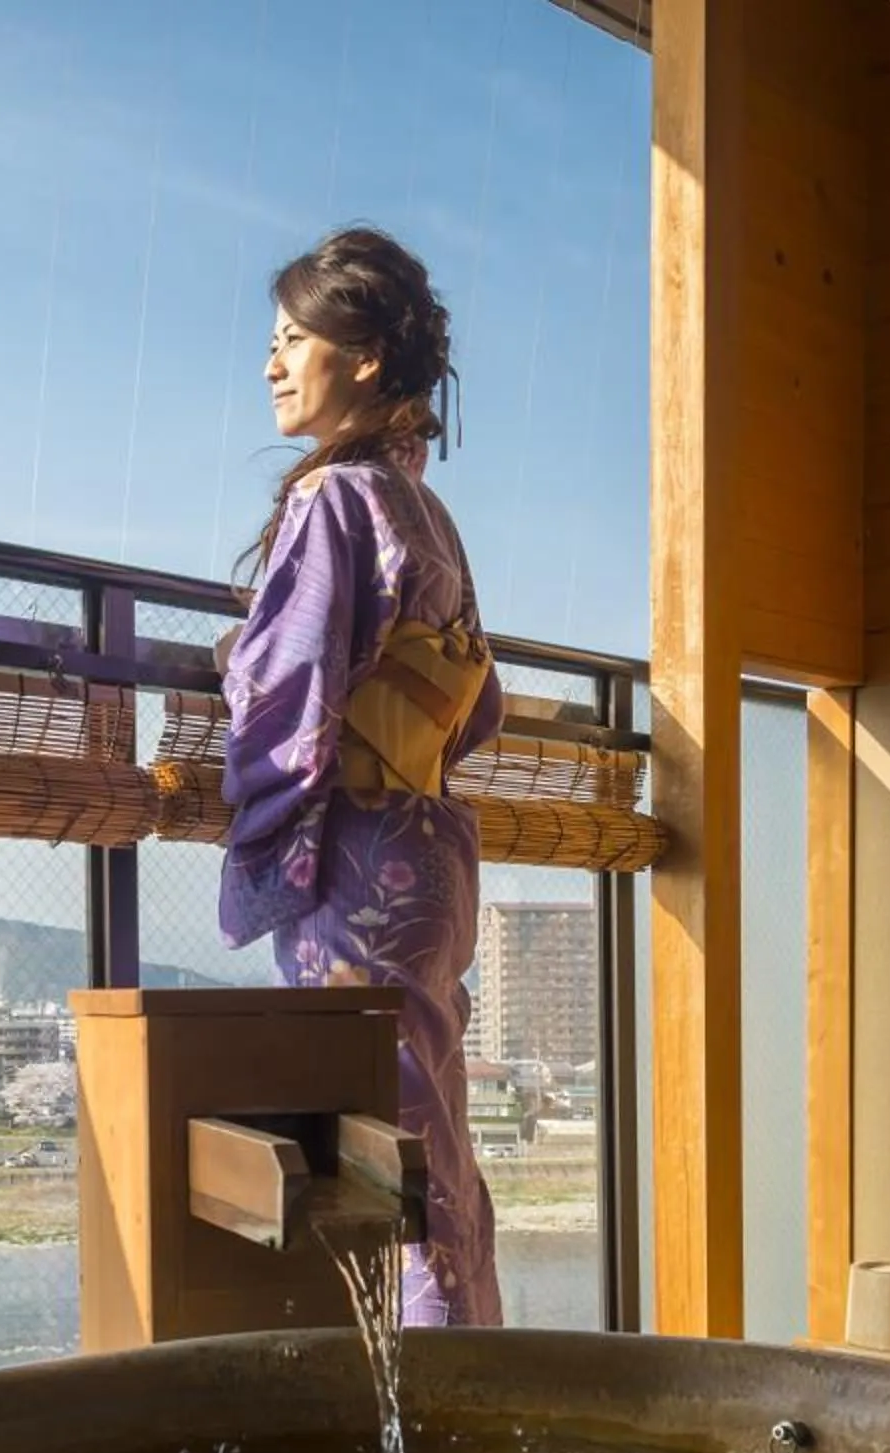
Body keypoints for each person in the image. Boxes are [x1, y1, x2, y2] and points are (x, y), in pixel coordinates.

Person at [217, 225, 502, 1328]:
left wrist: (232, 675)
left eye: (294, 339)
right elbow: (482, 702)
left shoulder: (332, 501)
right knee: (433, 1137)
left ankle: (424, 1420)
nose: (272, 363)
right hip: (429, 850)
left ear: (367, 356)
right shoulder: (425, 510)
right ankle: (467, 1385)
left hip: (361, 863)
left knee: (383, 1153)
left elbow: (284, 695)